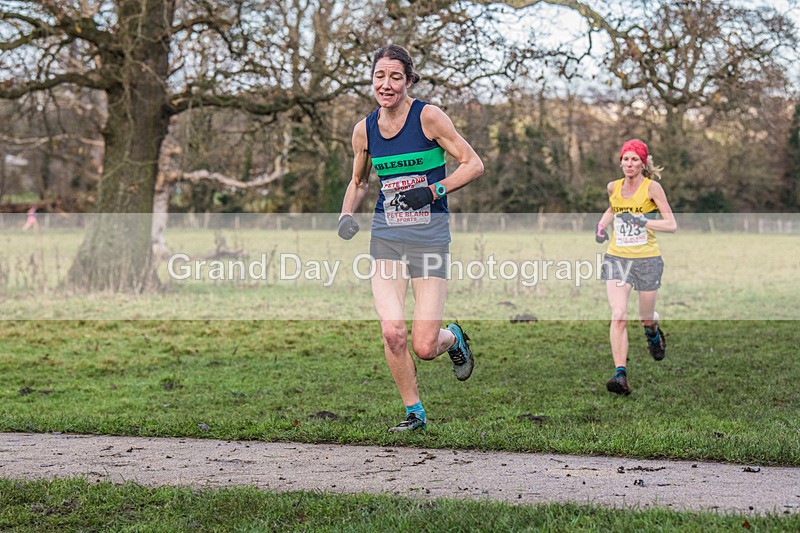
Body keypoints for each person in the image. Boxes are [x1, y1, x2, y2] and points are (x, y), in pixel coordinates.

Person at [338, 44, 484, 431]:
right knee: (392, 331)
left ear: (408, 81)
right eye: (379, 76)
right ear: (372, 80)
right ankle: (414, 412)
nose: (386, 85)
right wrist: (346, 214)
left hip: (430, 237)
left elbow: (474, 164)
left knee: (424, 345)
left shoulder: (429, 118)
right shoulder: (364, 130)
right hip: (386, 235)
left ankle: (453, 338)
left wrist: (433, 191)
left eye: (395, 77)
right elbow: (358, 182)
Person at [594, 139, 677, 395]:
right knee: (618, 314)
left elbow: (671, 224)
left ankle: (653, 333)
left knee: (645, 318)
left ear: (643, 163)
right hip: (617, 258)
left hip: (647, 260)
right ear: (621, 162)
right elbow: (613, 208)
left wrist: (643, 222)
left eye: (634, 160)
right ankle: (621, 375)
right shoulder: (613, 187)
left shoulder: (653, 188)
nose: (629, 164)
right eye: (625, 159)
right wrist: (600, 225)